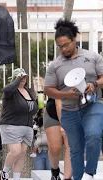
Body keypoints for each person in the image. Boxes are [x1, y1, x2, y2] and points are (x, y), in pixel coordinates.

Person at [44, 18, 103, 180]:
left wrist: (94, 84)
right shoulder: (55, 65)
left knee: (93, 136)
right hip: (69, 111)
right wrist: (65, 95)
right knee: (75, 149)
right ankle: (79, 177)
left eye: (66, 45)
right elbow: (48, 89)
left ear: (74, 40)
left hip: (93, 105)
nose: (63, 49)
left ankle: (89, 173)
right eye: (60, 46)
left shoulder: (92, 57)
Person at [0, 68, 38, 180]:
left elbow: (33, 110)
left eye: (24, 77)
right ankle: (5, 172)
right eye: (20, 77)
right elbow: (7, 89)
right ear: (14, 78)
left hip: (27, 126)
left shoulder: (29, 91)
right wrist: (16, 80)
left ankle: (16, 178)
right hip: (11, 124)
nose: (23, 79)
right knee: (15, 152)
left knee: (22, 154)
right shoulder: (10, 90)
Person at [44, 98, 72, 180]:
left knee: (71, 146)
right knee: (55, 149)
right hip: (53, 112)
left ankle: (67, 177)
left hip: (74, 112)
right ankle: (55, 171)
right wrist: (64, 124)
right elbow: (58, 102)